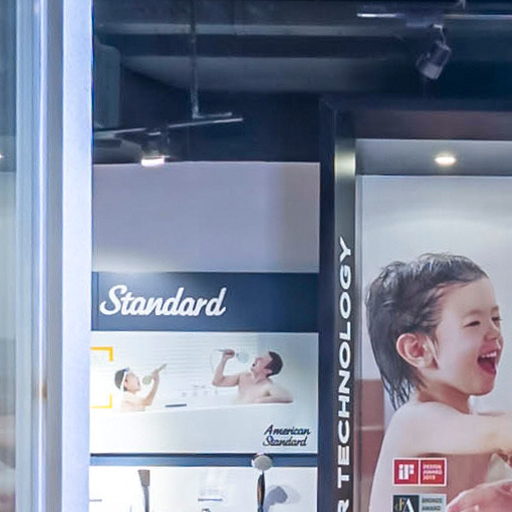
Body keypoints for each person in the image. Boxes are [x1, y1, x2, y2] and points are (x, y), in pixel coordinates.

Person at [366, 254, 512, 511]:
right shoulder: (414, 421)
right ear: (417, 350)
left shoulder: (481, 426)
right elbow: (501, 431)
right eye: (474, 323)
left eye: (496, 319)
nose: (494, 332)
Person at [212, 350, 293, 404]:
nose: (256, 358)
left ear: (267, 370)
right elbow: (217, 382)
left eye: (260, 360)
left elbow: (288, 397)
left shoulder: (267, 386)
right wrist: (224, 360)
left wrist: (260, 401)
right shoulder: (244, 376)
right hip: (234, 413)